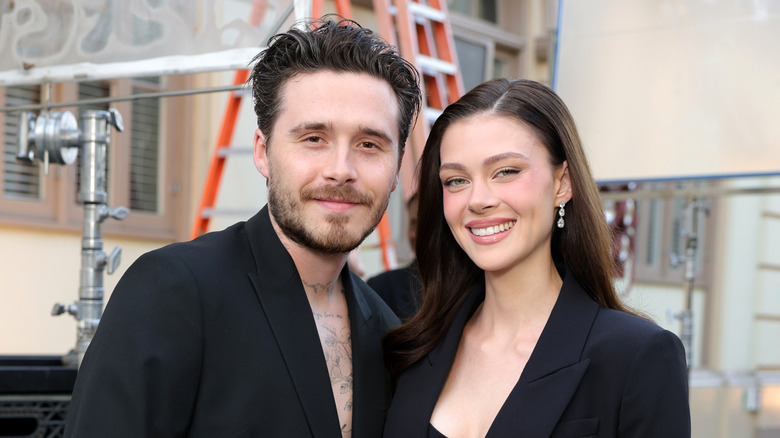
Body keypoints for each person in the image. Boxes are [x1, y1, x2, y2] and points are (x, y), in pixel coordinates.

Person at [65, 17, 421, 438]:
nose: (340, 170)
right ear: (263, 152)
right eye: (313, 138)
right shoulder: (173, 292)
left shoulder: (385, 329)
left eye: (369, 145)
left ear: (396, 169)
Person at [383, 79, 690, 437]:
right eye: (456, 180)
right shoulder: (413, 349)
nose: (478, 199)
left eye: (506, 171)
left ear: (562, 183)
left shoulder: (637, 356)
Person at [367, 192, 423, 320]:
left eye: (424, 224)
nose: (415, 234)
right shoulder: (382, 288)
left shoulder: (470, 289)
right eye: (413, 223)